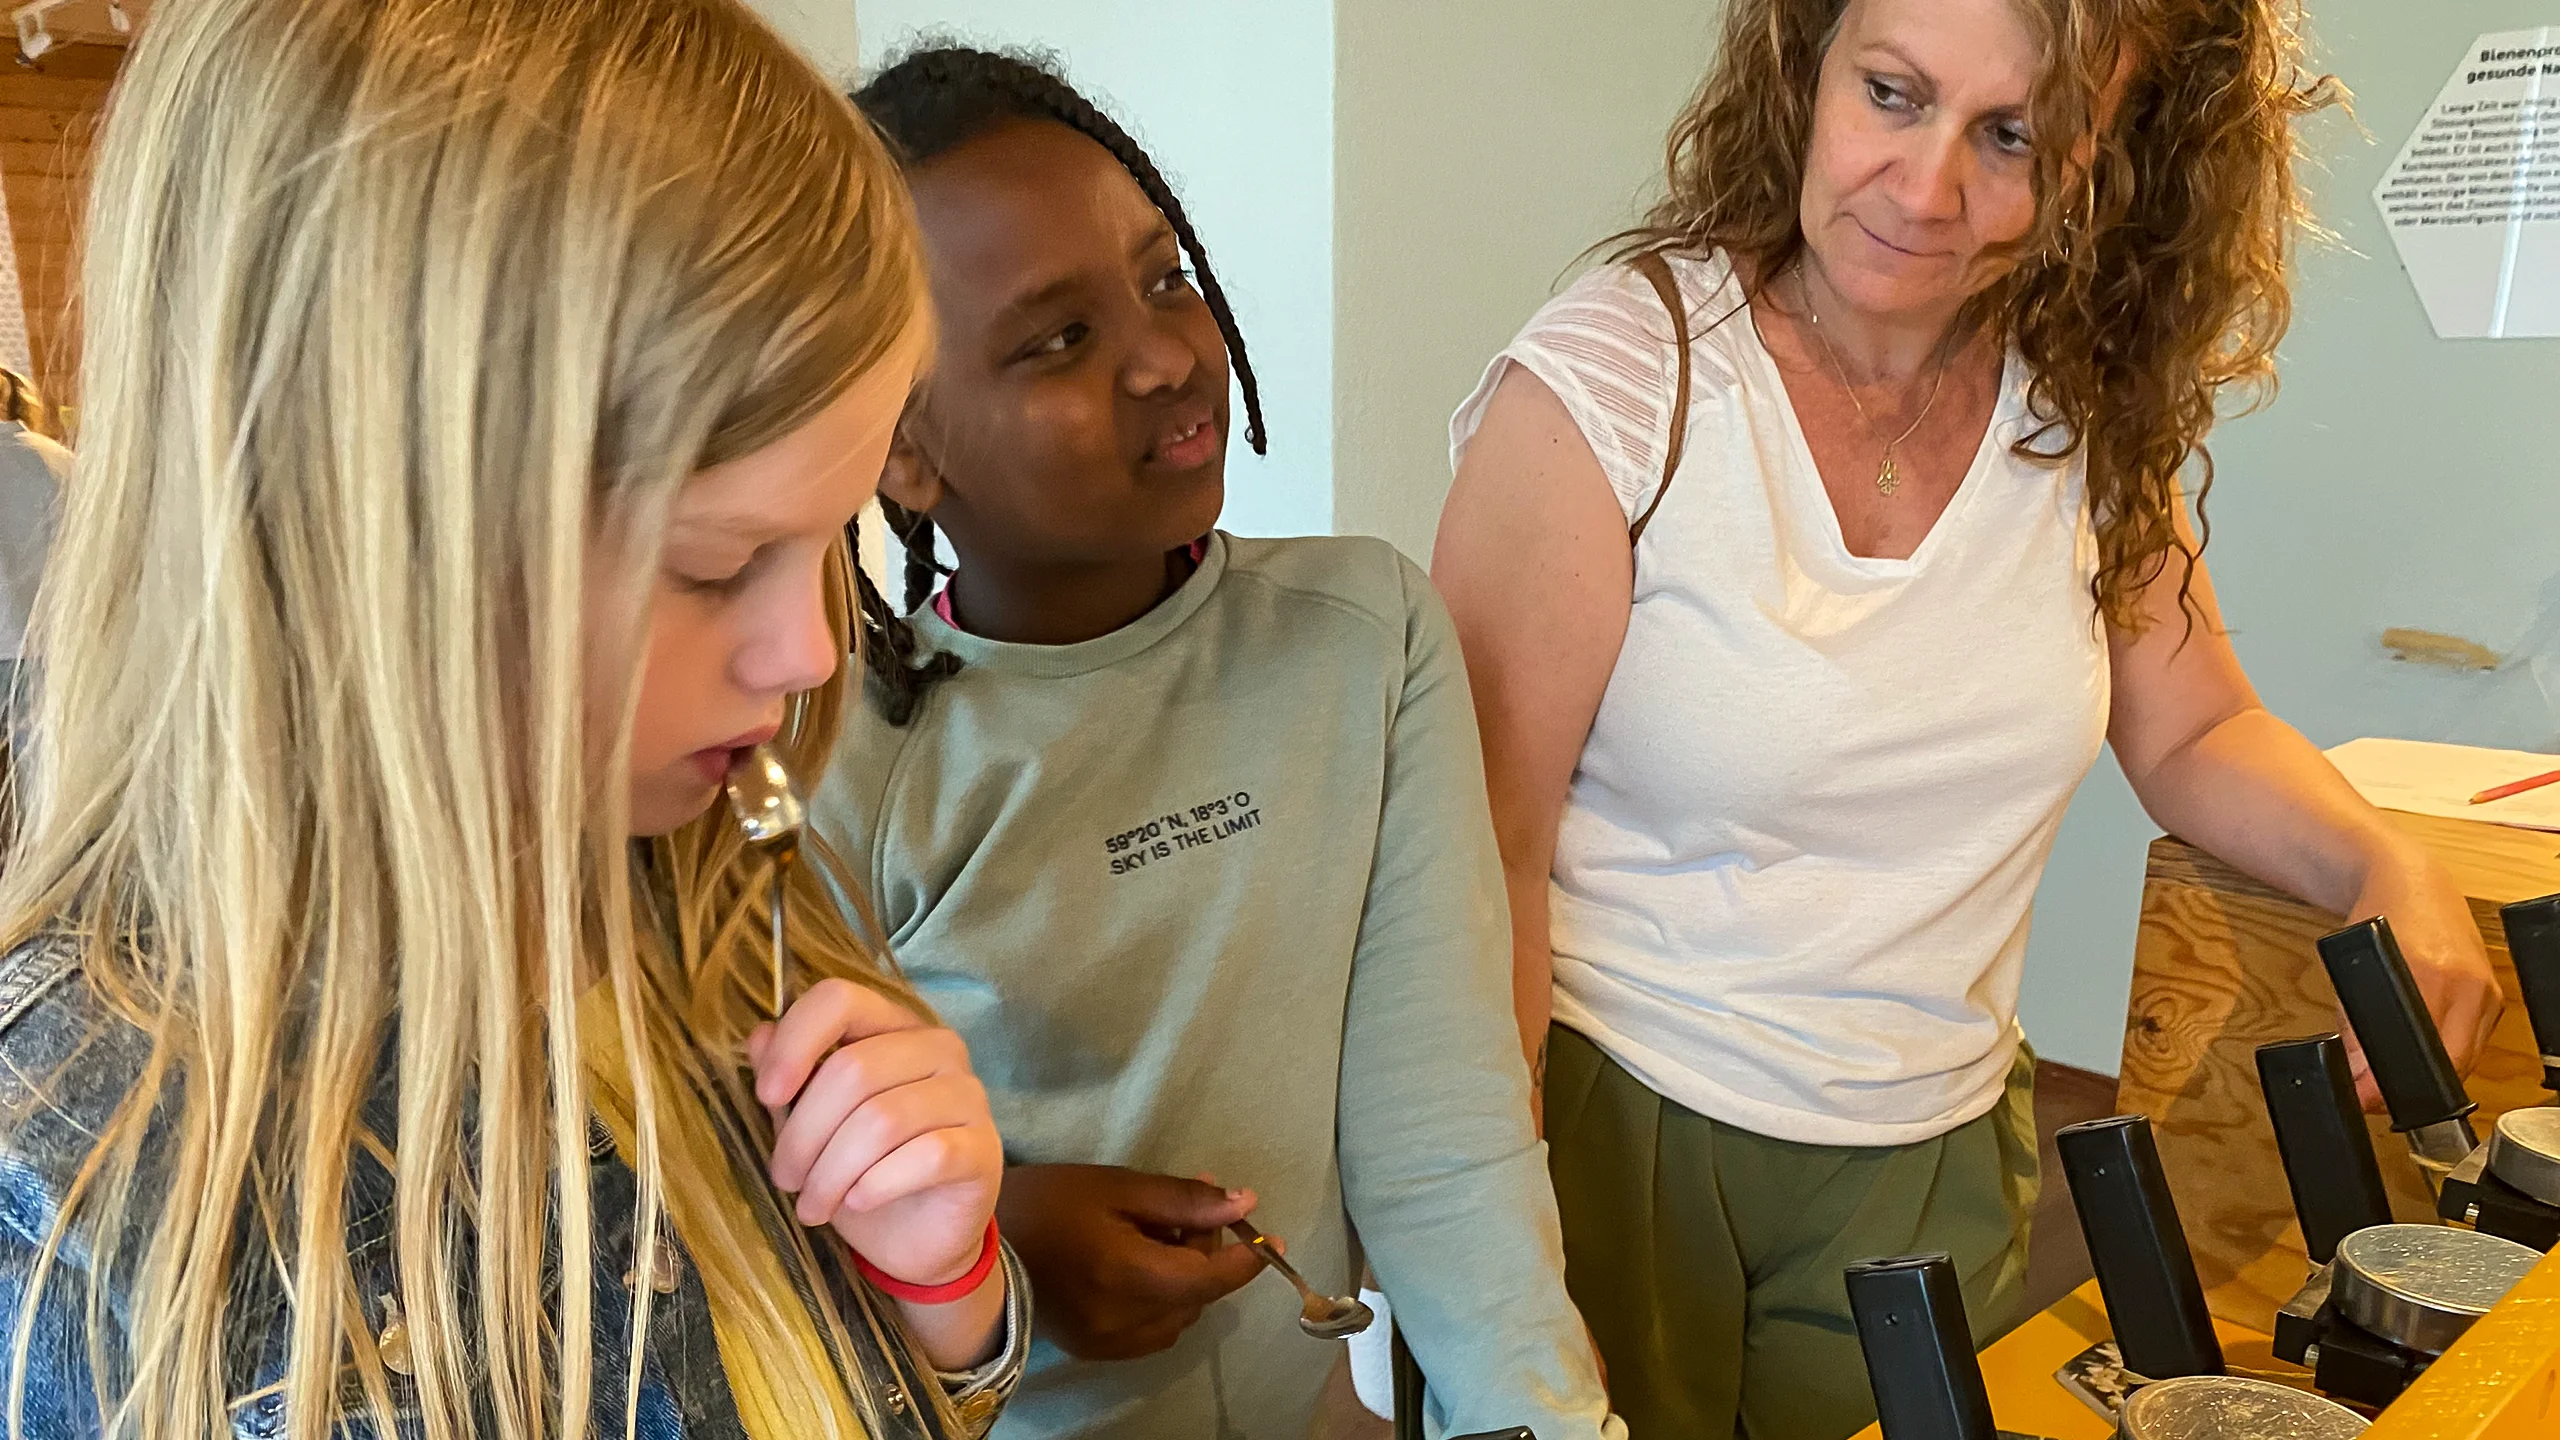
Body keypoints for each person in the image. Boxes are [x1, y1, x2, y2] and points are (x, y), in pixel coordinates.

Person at [1431, 0, 2504, 1435]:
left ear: (2114, 162)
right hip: (1624, 1117)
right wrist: (1488, 1239)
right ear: (1803, 63)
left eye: (2011, 137)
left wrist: (2390, 866)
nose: (1926, 190)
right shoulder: (1623, 382)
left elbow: (2193, 735)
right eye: (1891, 92)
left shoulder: (2082, 404)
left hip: (1932, 1147)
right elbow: (1477, 846)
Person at [0, 2, 1029, 1436]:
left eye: (831, 535)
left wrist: (947, 1302)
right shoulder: (74, 1193)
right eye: (718, 564)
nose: (806, 652)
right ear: (370, 540)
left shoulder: (726, 916)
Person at [820, 46, 1616, 1440]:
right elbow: (756, 1229)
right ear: (905, 448)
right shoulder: (842, 761)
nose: (1165, 355)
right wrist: (996, 1229)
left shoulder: (1364, 639)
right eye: (1057, 340)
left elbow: (1443, 1126)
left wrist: (1545, 1422)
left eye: (1165, 276)